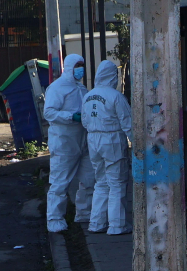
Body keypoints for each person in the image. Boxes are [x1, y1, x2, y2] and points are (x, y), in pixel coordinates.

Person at [43, 54, 95, 233]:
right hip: (64, 142)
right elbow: (49, 113)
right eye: (77, 65)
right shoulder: (57, 88)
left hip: (82, 141)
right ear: (70, 66)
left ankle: (84, 213)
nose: (80, 69)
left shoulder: (81, 89)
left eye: (82, 64)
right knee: (59, 183)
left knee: (89, 179)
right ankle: (54, 219)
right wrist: (70, 116)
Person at [81, 60, 133, 235]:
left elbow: (84, 121)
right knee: (117, 182)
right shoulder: (116, 96)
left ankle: (96, 223)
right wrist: (138, 144)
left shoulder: (88, 96)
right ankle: (117, 225)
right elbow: (128, 123)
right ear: (113, 76)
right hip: (112, 139)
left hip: (93, 139)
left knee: (101, 182)